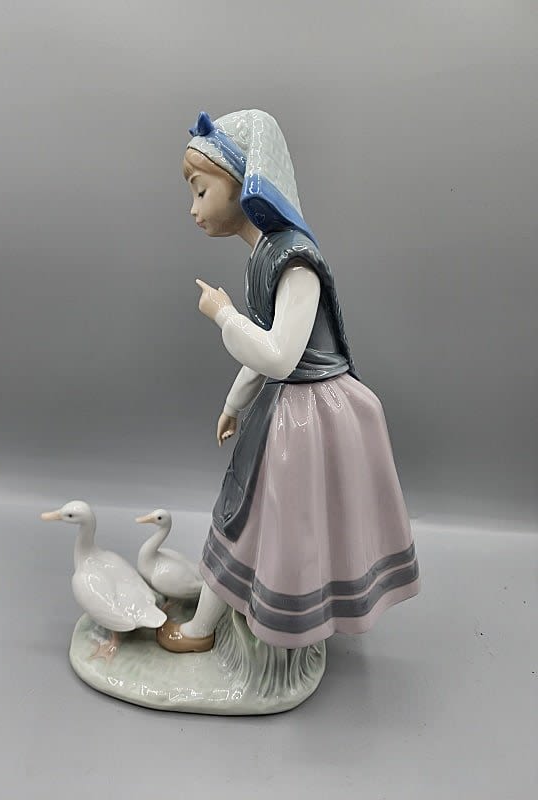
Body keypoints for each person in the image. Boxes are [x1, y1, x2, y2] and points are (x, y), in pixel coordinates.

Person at [156, 109, 420, 653]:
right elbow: (265, 349)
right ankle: (222, 623)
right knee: (252, 520)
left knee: (279, 524)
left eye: (201, 191)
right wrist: (234, 403)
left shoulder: (295, 261)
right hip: (286, 410)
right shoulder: (264, 254)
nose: (193, 208)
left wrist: (224, 316)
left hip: (312, 416)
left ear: (240, 185)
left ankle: (266, 630)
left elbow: (278, 356)